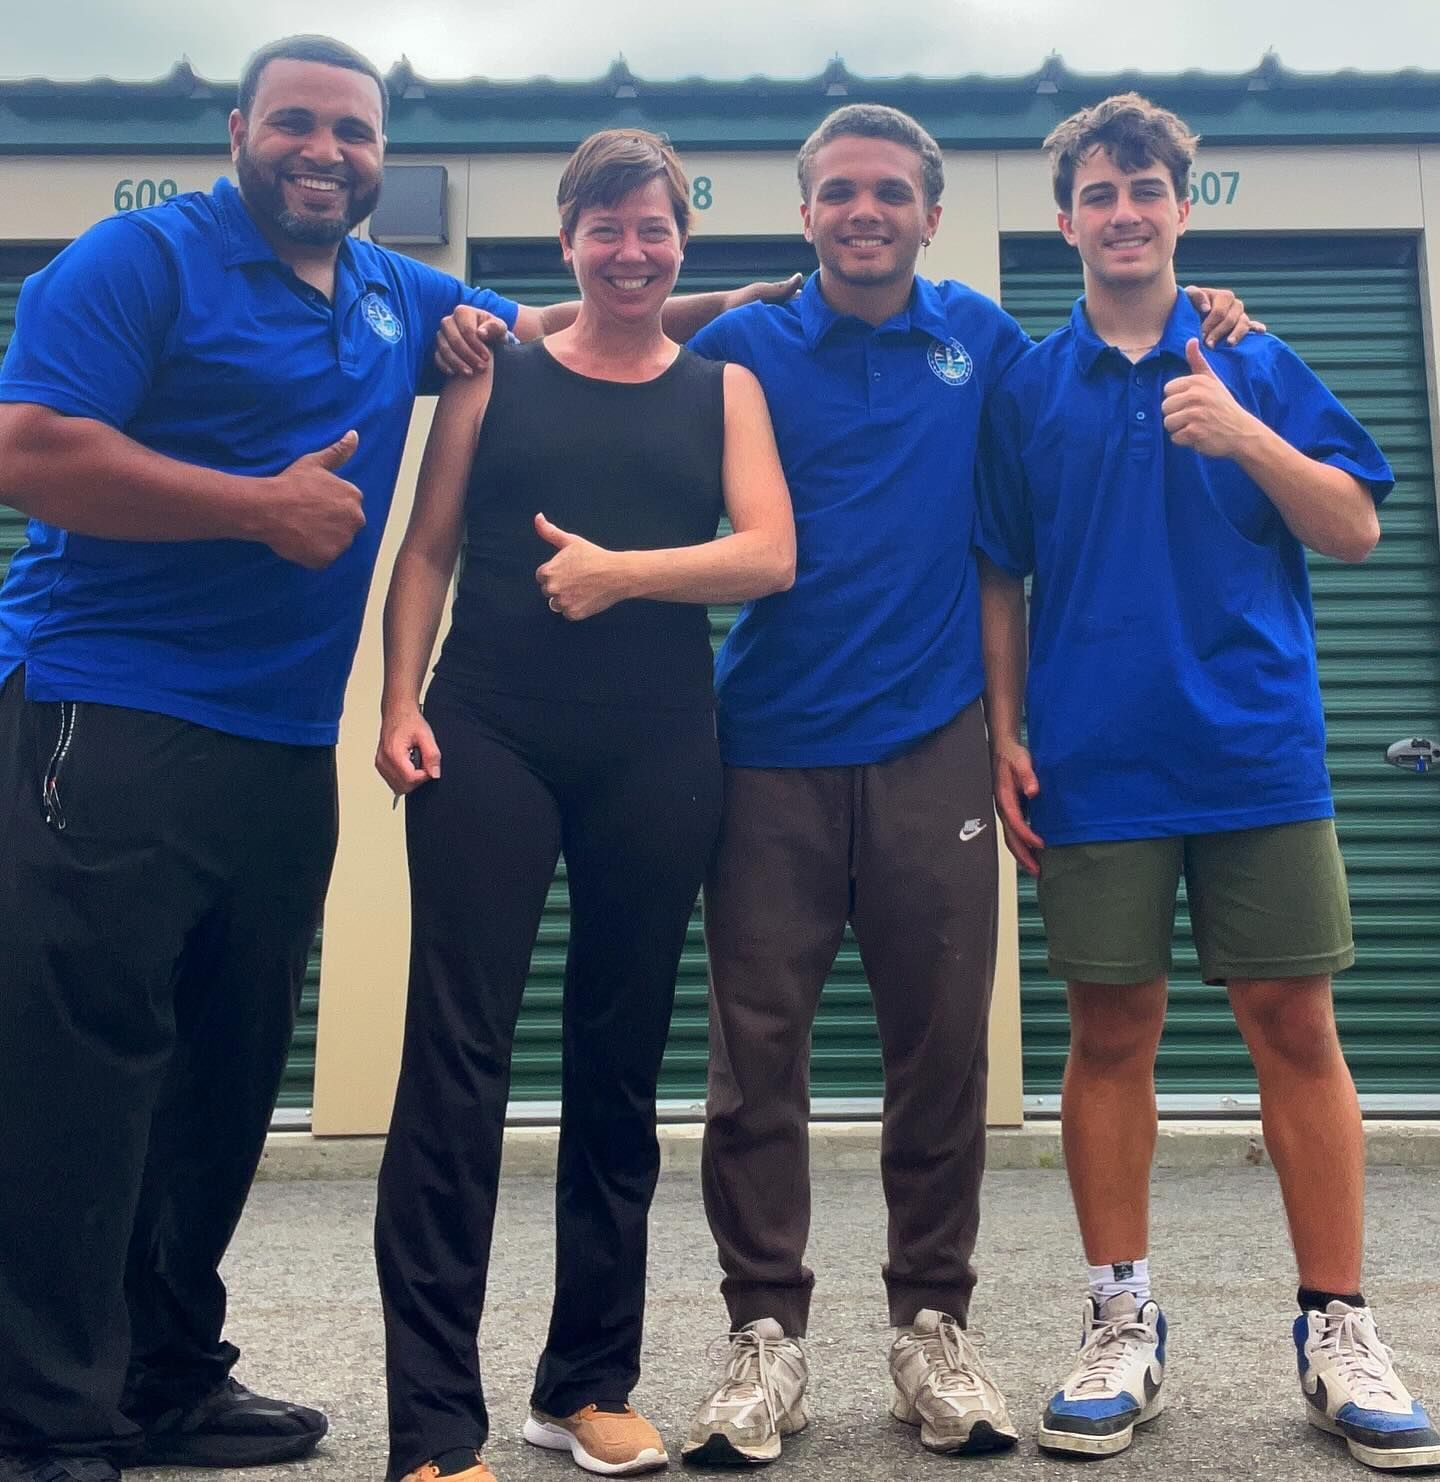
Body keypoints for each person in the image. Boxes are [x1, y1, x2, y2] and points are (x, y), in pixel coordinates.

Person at [0, 37, 794, 1482]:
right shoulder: (139, 263)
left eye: (351, 131)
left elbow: (567, 327)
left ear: (379, 153)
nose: (325, 150)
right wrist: (255, 512)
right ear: (240, 130)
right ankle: (47, 1413)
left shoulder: (389, 292)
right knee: (84, 1071)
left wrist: (735, 304)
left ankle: (171, 1375)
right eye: (295, 124)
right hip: (107, 713)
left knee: (224, 1076)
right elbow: (28, 447)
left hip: (277, 739)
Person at [675, 102, 1254, 1467]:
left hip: (934, 738)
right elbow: (600, 324)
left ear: (932, 213)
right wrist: (719, 289)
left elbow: (1110, 339)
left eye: (889, 193)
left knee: (939, 1050)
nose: (865, 212)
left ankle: (932, 1324)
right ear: (803, 209)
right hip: (764, 743)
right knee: (755, 1054)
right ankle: (765, 1337)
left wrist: (1216, 306)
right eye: (837, 194)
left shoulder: (982, 341)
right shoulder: (740, 342)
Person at [976, 93, 1439, 1472]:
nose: (1125, 212)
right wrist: (1004, 730)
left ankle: (1337, 1329)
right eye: (1100, 193)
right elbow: (999, 568)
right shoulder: (1025, 382)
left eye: (1148, 190)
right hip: (1094, 756)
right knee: (1110, 1030)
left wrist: (1245, 432)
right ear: (1066, 217)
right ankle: (1122, 1319)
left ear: (1185, 207)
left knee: (1295, 1022)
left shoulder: (1259, 356)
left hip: (1254, 749)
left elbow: (1353, 525)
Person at [371, 129, 794, 1482]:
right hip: (488, 724)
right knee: (457, 1061)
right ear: (567, 241)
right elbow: (428, 546)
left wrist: (622, 576)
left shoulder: (723, 389)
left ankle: (585, 1386)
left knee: (617, 1070)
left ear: (683, 242)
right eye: (605, 227)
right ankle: (436, 1425)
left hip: (660, 744)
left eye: (654, 228)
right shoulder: (493, 374)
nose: (631, 250)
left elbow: (768, 552)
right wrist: (396, 701)